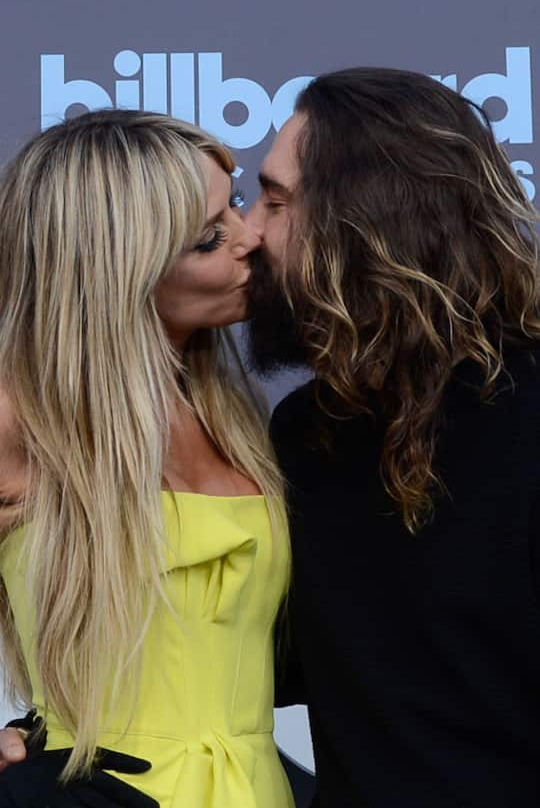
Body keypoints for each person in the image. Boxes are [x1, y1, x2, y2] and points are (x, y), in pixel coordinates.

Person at [244, 68, 540, 807]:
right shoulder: (309, 430)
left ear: (363, 218)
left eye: (276, 201)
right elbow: (261, 659)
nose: (248, 231)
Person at [0, 109, 294, 808]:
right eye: (206, 239)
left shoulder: (241, 414)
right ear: (114, 270)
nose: (250, 238)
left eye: (239, 208)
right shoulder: (21, 416)